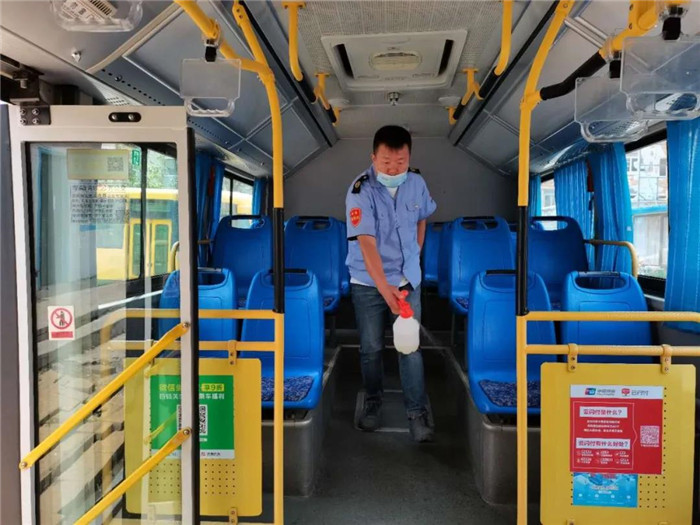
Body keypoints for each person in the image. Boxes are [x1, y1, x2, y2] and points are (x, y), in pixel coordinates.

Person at [345, 125, 437, 443]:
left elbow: (423, 217)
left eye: (400, 162)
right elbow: (366, 243)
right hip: (368, 282)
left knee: (409, 347)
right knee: (371, 348)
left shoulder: (417, 183)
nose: (394, 169)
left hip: (407, 280)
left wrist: (414, 258)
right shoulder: (360, 190)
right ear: (373, 158)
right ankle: (372, 402)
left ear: (409, 158)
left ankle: (417, 413)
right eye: (387, 162)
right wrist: (385, 288)